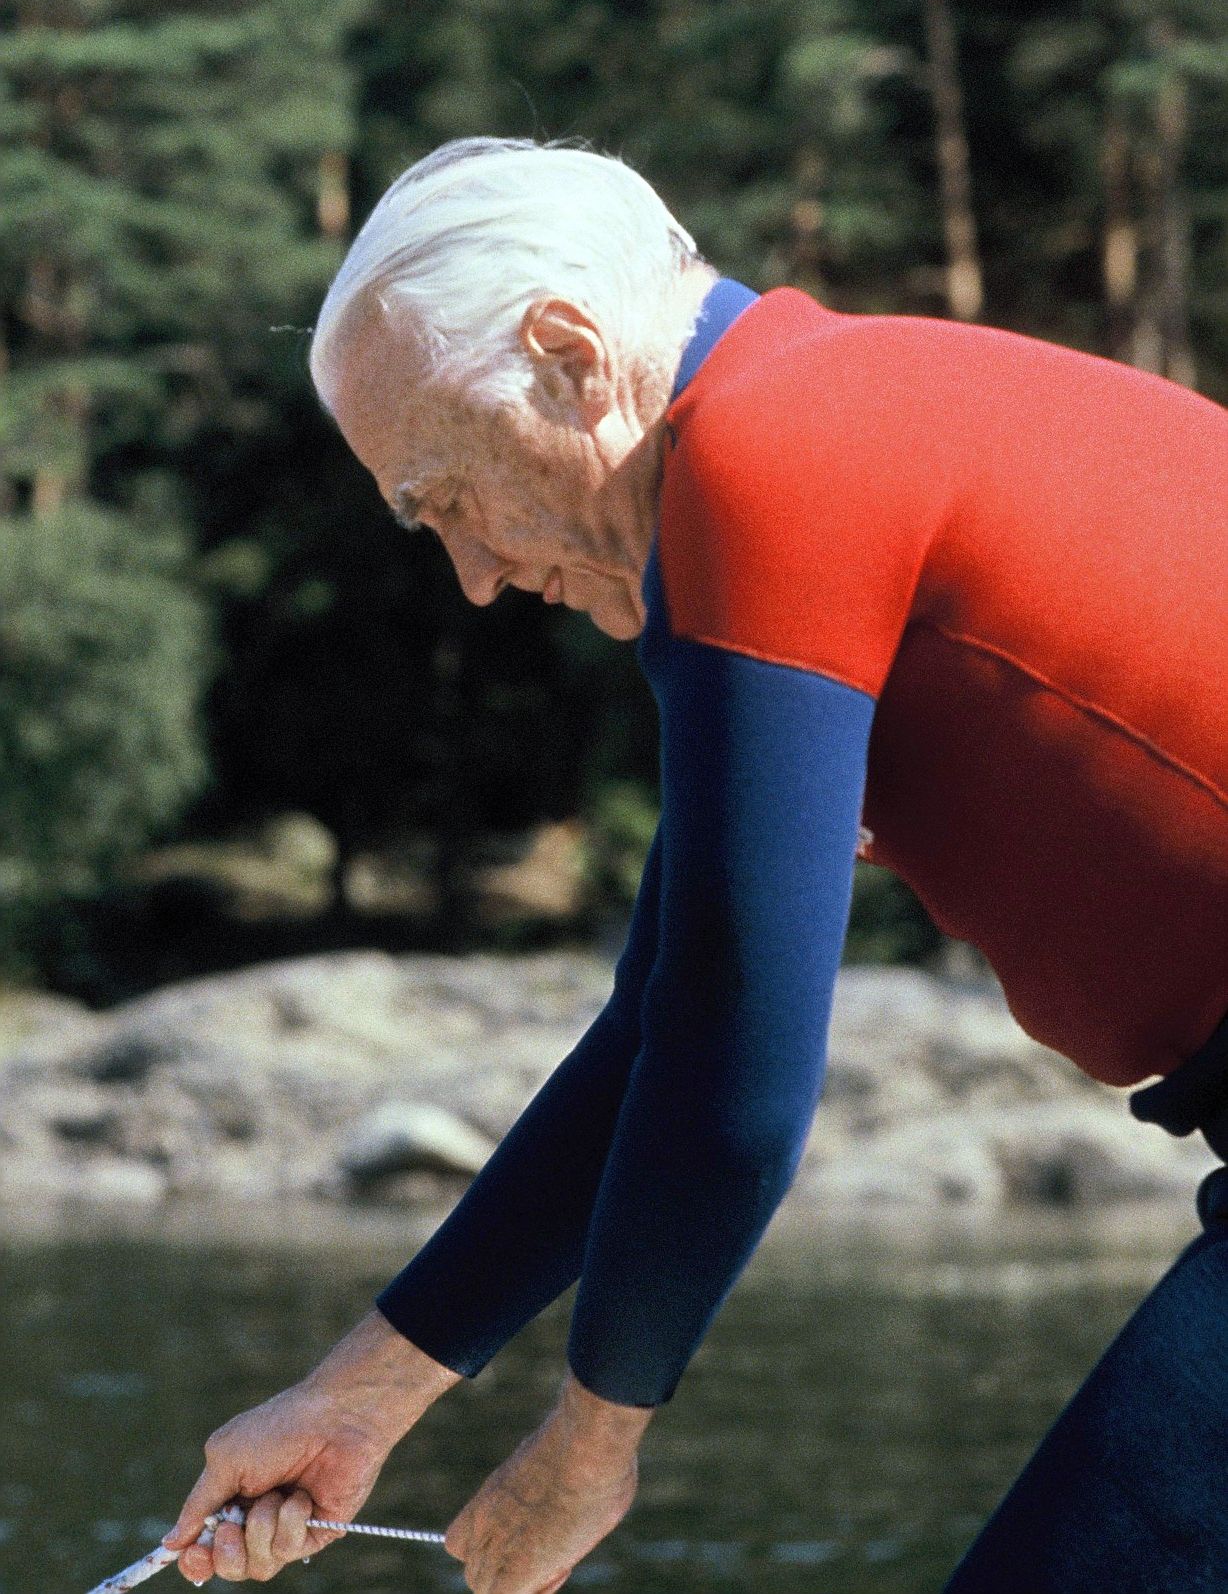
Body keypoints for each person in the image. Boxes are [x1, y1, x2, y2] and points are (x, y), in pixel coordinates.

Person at [165, 136, 1228, 1593]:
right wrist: (354, 1398)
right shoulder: (815, 424)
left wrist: (589, 1447)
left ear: (566, 353)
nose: (473, 574)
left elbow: (735, 1068)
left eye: (447, 492)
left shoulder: (767, 456)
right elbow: (658, 1029)